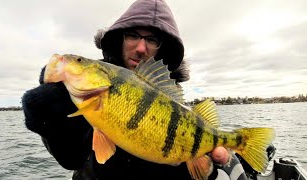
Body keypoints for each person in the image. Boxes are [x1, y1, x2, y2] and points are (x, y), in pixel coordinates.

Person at [22, 0, 248, 179]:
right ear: (119, 39)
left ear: (163, 49)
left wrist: (197, 170)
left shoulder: (172, 99)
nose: (141, 47)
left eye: (151, 39)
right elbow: (71, 159)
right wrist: (50, 125)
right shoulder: (90, 93)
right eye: (132, 35)